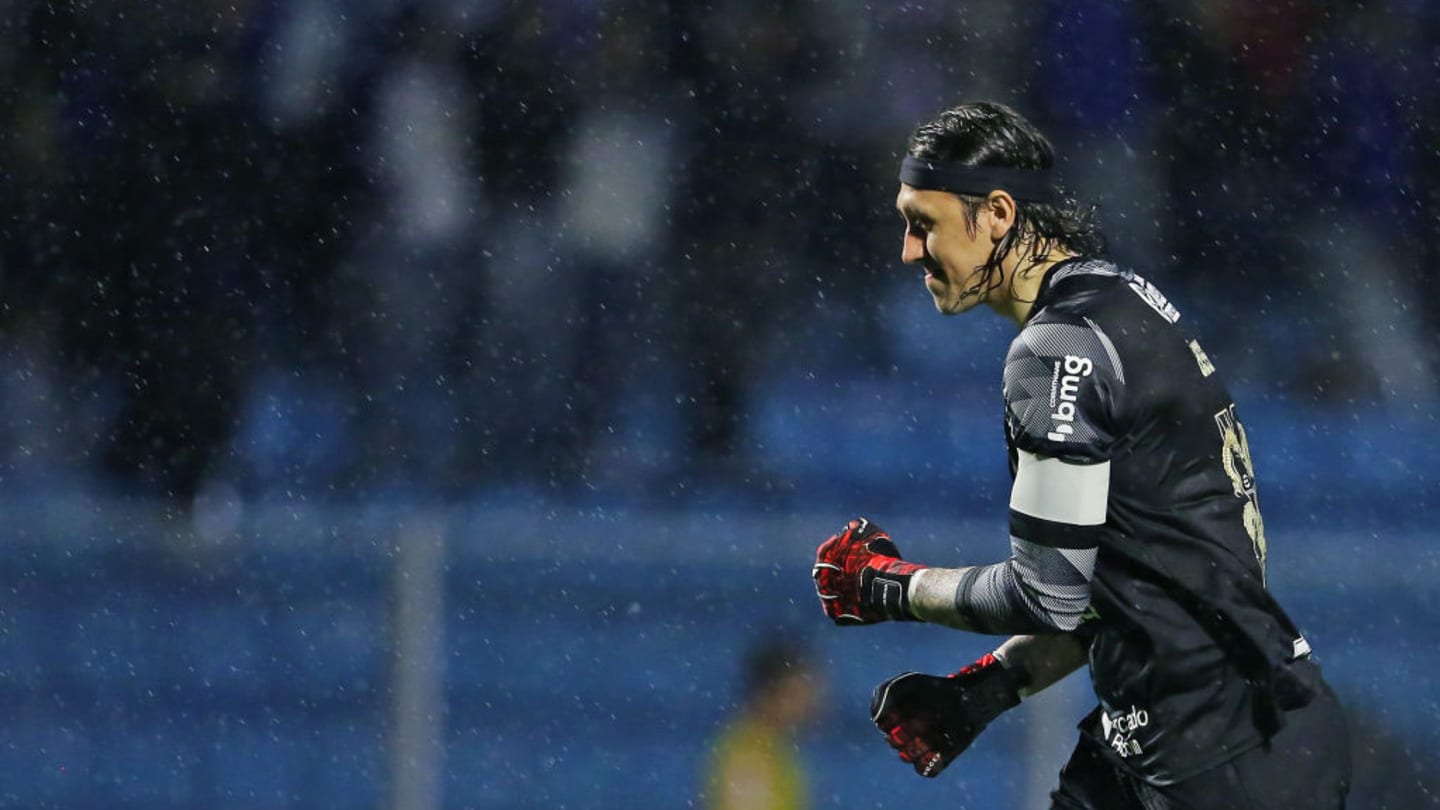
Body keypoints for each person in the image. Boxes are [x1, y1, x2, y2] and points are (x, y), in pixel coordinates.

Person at [810, 101, 1351, 809]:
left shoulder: (1056, 348)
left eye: (924, 225)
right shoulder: (1125, 300)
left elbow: (1048, 591)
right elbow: (1122, 583)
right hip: (1211, 732)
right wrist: (988, 688)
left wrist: (885, 586)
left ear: (998, 214)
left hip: (1222, 755)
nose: (910, 251)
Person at [702, 638, 821, 810]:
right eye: (799, 692)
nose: (810, 703)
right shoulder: (749, 751)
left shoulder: (777, 747)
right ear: (773, 692)